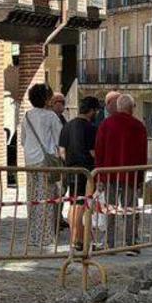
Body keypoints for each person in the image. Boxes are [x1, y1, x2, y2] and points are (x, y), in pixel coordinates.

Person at [93, 93, 148, 253]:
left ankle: (110, 244)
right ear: (131, 108)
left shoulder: (106, 124)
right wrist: (141, 179)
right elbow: (142, 154)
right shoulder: (138, 126)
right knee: (130, 209)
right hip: (130, 175)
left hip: (108, 174)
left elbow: (99, 150)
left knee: (109, 210)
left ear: (118, 107)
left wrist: (99, 176)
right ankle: (130, 243)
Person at [22, 83, 65, 248]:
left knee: (32, 199)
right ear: (46, 99)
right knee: (47, 200)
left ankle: (33, 236)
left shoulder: (27, 116)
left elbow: (23, 140)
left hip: (30, 162)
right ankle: (45, 237)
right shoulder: (51, 117)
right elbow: (60, 139)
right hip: (45, 162)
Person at [59, 95, 99, 252]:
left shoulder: (67, 126)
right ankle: (81, 239)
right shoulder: (90, 128)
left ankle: (75, 238)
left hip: (71, 170)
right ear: (92, 111)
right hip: (87, 171)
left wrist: (68, 163)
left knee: (74, 203)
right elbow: (93, 151)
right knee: (84, 206)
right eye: (96, 111)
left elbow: (62, 150)